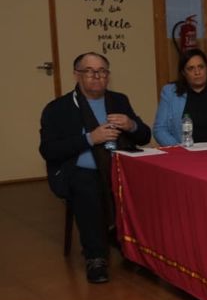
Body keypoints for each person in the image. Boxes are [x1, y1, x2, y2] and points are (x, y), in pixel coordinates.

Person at [40, 52, 151, 283]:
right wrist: (90, 138)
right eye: (90, 71)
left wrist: (131, 125)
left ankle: (134, 247)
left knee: (147, 186)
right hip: (79, 170)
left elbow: (144, 137)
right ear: (77, 75)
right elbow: (49, 150)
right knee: (87, 188)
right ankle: (96, 256)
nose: (97, 76)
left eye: (102, 71)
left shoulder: (118, 100)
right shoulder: (58, 108)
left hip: (118, 168)